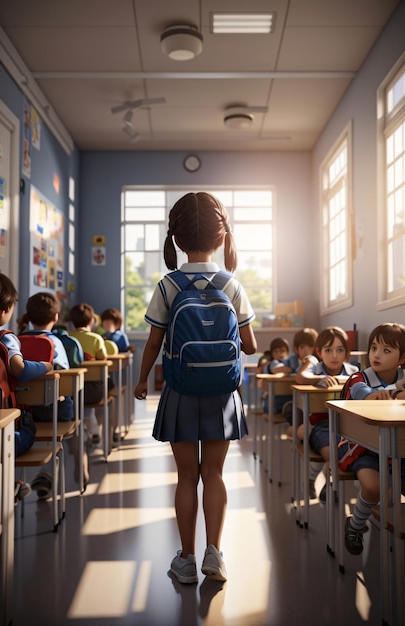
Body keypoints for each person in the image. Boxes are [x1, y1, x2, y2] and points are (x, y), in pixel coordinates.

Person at [134, 192, 257, 584]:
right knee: (215, 475)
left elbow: (153, 342)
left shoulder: (169, 284)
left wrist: (141, 380)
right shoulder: (231, 284)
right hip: (222, 394)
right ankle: (215, 556)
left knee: (186, 476)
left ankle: (185, 560)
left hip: (180, 391)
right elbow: (250, 345)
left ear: (177, 240)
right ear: (221, 239)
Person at [0, 266, 53, 502]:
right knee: (24, 433)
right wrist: (46, 366)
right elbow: (20, 370)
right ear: (5, 310)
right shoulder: (4, 338)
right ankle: (6, 483)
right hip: (4, 432)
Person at [341, 323, 405, 555]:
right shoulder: (359, 377)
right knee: (374, 486)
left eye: (387, 350)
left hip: (399, 451)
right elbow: (365, 396)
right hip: (363, 449)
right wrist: (394, 394)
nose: (377, 354)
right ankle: (355, 525)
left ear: (402, 358)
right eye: (374, 348)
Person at [18, 292, 89, 496]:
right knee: (74, 422)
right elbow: (64, 379)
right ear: (56, 318)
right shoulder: (56, 342)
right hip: (53, 411)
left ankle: (46, 474)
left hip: (23, 413)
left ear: (29, 316)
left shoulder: (15, 340)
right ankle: (78, 462)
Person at [297, 326, 359, 501]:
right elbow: (301, 377)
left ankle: (330, 483)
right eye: (328, 350)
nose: (334, 355)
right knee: (331, 452)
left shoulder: (353, 372)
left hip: (346, 425)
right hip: (320, 425)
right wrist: (319, 379)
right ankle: (317, 481)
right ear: (319, 352)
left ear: (347, 353)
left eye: (340, 350)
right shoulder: (316, 369)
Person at [68, 302, 115, 444]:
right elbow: (103, 359)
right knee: (105, 384)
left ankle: (86, 428)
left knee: (82, 395)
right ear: (91, 321)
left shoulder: (67, 338)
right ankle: (93, 428)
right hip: (94, 391)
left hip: (71, 391)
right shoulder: (96, 339)